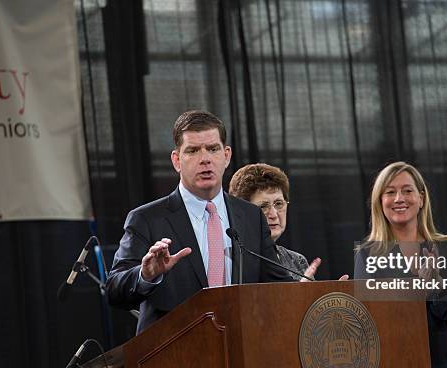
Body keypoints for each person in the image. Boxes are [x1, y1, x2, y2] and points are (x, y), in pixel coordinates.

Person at [106, 110, 316, 334]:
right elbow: (115, 290)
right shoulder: (147, 219)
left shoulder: (251, 217)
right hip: (173, 357)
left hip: (240, 352)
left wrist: (308, 297)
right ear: (177, 160)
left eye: (213, 149)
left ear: (226, 155)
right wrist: (146, 275)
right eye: (193, 150)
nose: (205, 158)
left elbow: (272, 287)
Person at [355, 161, 447, 368]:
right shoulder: (367, 254)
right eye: (390, 192)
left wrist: (435, 287)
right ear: (380, 202)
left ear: (421, 198)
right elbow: (367, 319)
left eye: (407, 190)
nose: (399, 198)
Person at [229, 163, 313, 280]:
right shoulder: (233, 260)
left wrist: (327, 294)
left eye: (278, 204)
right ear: (242, 211)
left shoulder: (297, 260)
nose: (273, 214)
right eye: (263, 206)